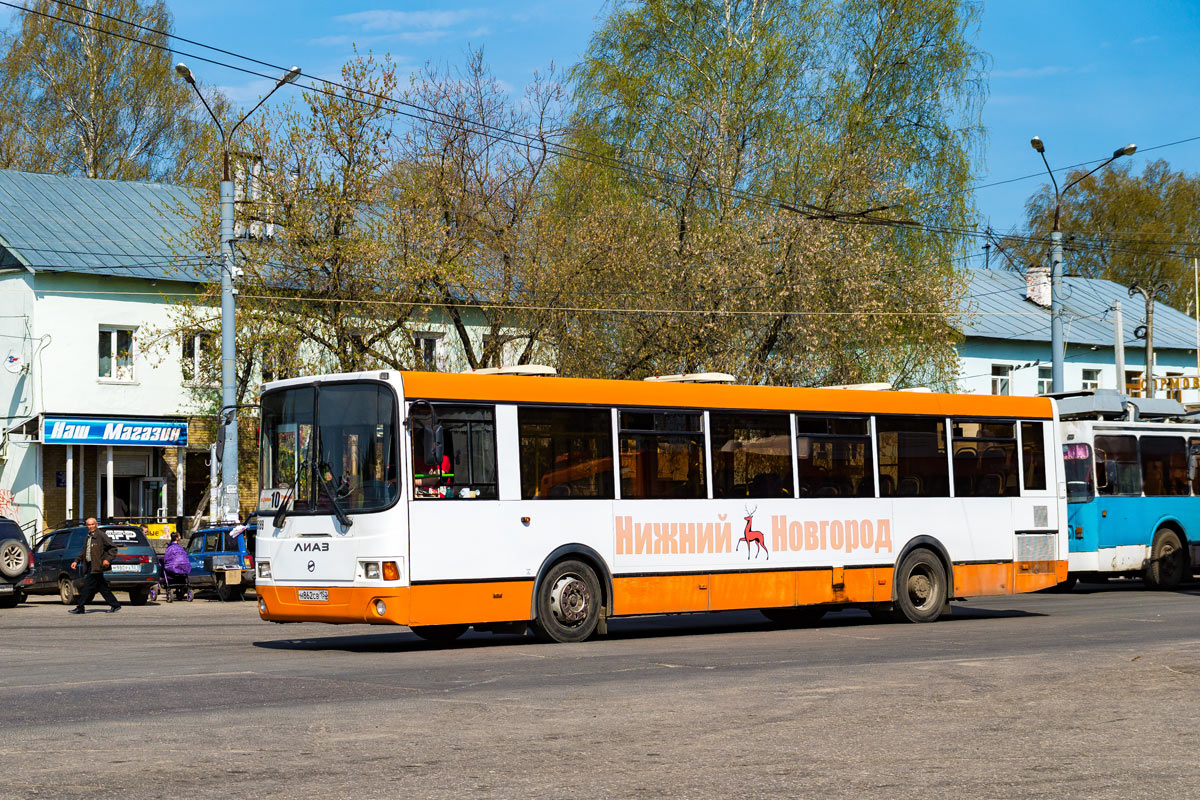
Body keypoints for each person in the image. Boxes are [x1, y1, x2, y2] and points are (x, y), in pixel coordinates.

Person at [68, 517, 121, 614]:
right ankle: (115, 605)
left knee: (87, 587)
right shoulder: (88, 536)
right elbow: (84, 551)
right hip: (89, 565)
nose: (91, 526)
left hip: (96, 566)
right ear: (87, 526)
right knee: (102, 587)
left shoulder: (101, 535)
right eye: (89, 524)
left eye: (92, 524)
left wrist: (107, 559)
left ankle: (80, 607)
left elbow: (113, 548)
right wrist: (76, 561)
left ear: (96, 524)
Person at [161, 531, 190, 599]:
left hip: (172, 567)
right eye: (179, 536)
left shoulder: (170, 548)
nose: (180, 537)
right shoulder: (180, 548)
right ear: (177, 538)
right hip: (182, 566)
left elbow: (166, 558)